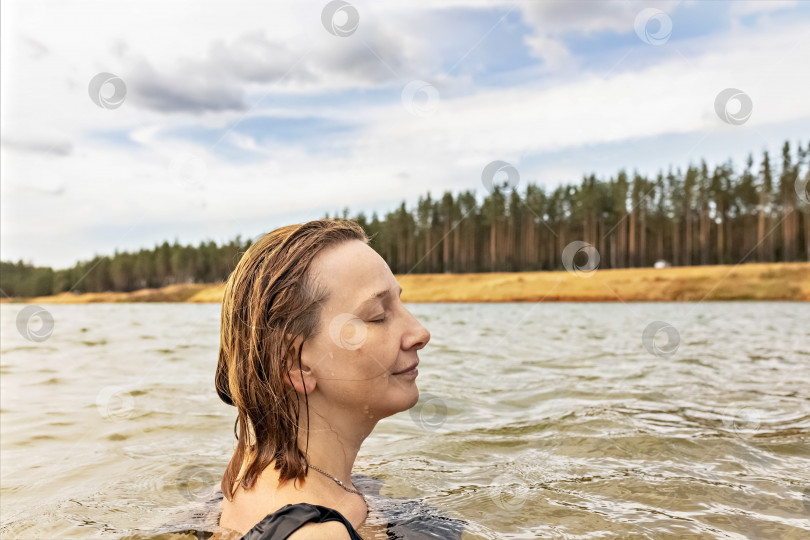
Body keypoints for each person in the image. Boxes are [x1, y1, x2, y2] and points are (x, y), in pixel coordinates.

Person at [214, 218, 431, 539]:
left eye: (400, 304)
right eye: (378, 316)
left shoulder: (248, 473)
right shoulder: (315, 533)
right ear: (294, 362)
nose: (420, 333)